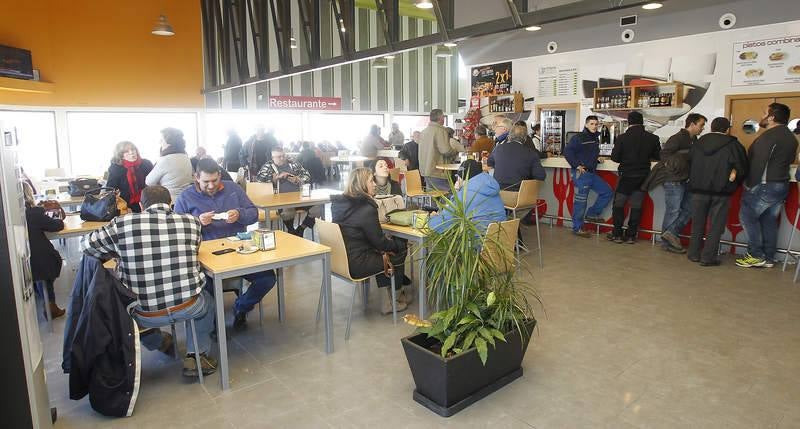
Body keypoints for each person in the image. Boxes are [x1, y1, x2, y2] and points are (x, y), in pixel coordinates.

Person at [81, 185, 217, 377]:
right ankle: (197, 357)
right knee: (207, 301)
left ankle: (159, 342)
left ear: (141, 205)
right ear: (171, 204)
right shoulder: (192, 223)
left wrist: (118, 252)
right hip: (188, 305)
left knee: (124, 310)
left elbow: (86, 246)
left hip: (142, 313)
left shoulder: (122, 224)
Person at [174, 159, 276, 330]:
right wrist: (197, 222)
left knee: (267, 278)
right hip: (206, 256)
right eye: (206, 182)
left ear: (220, 175)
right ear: (196, 177)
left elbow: (253, 213)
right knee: (206, 287)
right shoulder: (186, 196)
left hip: (239, 250)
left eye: (215, 180)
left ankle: (241, 307)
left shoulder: (233, 188)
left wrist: (239, 214)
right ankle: (213, 326)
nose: (211, 185)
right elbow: (176, 228)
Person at [330, 168, 410, 314]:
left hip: (340, 260)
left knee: (386, 249)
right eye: (371, 181)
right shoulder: (366, 208)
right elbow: (380, 243)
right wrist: (400, 244)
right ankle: (392, 301)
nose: (374, 184)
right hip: (358, 264)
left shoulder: (339, 204)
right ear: (361, 184)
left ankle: (394, 292)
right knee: (398, 250)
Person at [736, 103, 798, 268]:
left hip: (763, 185)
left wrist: (749, 184)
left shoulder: (769, 136)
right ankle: (768, 257)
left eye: (764, 113)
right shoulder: (790, 137)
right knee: (769, 220)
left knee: (747, 217)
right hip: (780, 184)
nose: (762, 116)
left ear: (771, 117)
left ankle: (756, 255)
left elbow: (758, 162)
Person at [687, 118, 748, 266]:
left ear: (711, 127)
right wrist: (733, 180)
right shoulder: (734, 145)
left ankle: (693, 254)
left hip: (697, 190)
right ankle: (708, 258)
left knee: (697, 223)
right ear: (727, 129)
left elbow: (689, 162)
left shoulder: (697, 143)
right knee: (715, 226)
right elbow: (742, 168)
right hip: (721, 192)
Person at [643, 113, 707, 253]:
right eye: (701, 125)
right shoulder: (677, 138)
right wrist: (676, 169)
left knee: (688, 209)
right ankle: (667, 243)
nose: (703, 128)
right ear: (692, 124)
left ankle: (670, 235)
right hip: (673, 180)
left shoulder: (694, 140)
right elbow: (664, 155)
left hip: (685, 179)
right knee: (673, 211)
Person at [607, 111, 661, 243]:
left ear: (629, 122)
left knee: (619, 204)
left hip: (626, 176)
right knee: (636, 205)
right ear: (642, 122)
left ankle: (617, 234)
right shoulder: (652, 138)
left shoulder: (622, 138)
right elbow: (658, 156)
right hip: (643, 176)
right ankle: (631, 235)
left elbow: (615, 158)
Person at [564, 115, 612, 238]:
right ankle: (577, 228)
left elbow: (587, 154)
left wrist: (597, 159)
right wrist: (577, 165)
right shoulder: (578, 137)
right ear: (586, 124)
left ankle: (592, 213)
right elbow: (568, 151)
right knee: (581, 202)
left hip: (591, 173)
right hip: (582, 174)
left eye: (596, 124)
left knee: (607, 192)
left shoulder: (595, 138)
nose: (594, 126)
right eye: (591, 124)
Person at [428, 159, 507, 234]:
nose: (456, 181)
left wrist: (431, 218)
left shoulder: (463, 196)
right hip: (500, 241)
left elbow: (439, 225)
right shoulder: (492, 188)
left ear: (463, 178)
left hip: (475, 244)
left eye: (458, 177)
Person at [255, 147, 319, 237]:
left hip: (299, 198)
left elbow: (307, 175)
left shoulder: (293, 163)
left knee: (317, 207)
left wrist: (298, 179)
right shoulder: (268, 166)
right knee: (287, 211)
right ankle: (291, 231)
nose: (282, 158)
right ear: (273, 158)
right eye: (279, 157)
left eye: (283, 156)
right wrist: (275, 178)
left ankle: (301, 228)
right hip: (280, 200)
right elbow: (259, 179)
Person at [24, 182, 66, 318]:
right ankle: (50, 305)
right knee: (50, 261)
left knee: (42, 268)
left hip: (27, 260)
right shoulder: (33, 213)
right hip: (40, 261)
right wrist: (58, 215)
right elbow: (57, 226)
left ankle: (45, 298)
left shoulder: (23, 214)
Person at [488, 125, 546, 191]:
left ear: (509, 137)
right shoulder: (531, 153)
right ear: (525, 139)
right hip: (520, 195)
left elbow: (489, 163)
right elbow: (541, 176)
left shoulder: (498, 148)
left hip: (498, 194)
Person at [145, 127, 194, 202]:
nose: (159, 142)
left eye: (162, 140)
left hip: (170, 200)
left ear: (169, 142)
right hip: (186, 198)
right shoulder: (185, 157)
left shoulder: (165, 160)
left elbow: (149, 182)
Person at [105, 141, 153, 213]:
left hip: (148, 202)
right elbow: (110, 189)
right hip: (127, 206)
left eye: (133, 149)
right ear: (121, 155)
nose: (131, 152)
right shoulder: (116, 168)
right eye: (126, 151)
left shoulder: (146, 164)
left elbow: (154, 185)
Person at [419, 109, 458, 192]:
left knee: (433, 196)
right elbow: (445, 150)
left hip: (425, 170)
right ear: (441, 118)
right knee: (450, 195)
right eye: (443, 116)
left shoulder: (423, 132)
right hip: (437, 171)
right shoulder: (440, 131)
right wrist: (455, 151)